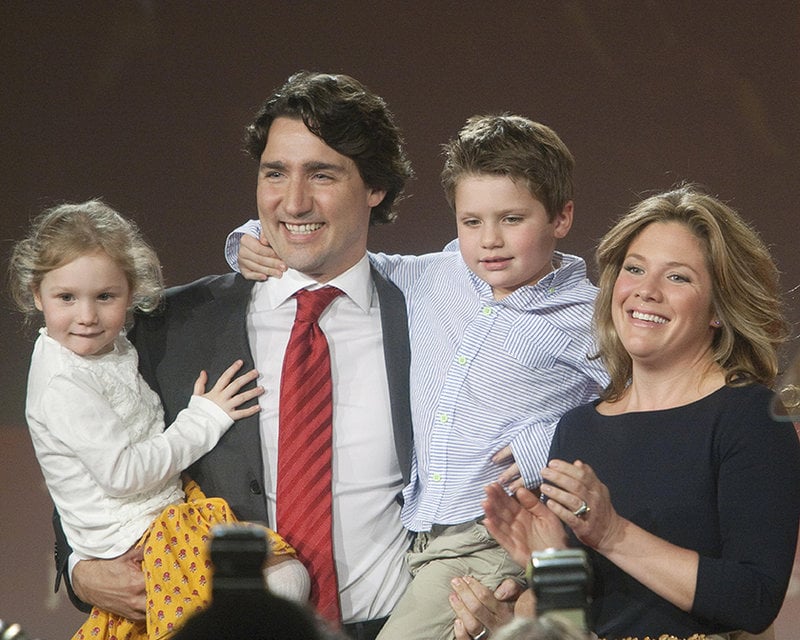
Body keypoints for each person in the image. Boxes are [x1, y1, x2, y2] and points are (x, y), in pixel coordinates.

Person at [55, 72, 415, 640]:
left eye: (322, 174)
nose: (293, 201)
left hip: (394, 626)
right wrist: (80, 569)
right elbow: (80, 452)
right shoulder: (168, 325)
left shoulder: (425, 317)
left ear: (375, 187)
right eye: (275, 173)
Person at [226, 114, 609, 640]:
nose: (490, 241)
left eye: (512, 219)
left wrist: (550, 441)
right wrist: (246, 239)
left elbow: (637, 405)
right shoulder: (434, 276)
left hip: (494, 535)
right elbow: (330, 251)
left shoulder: (586, 316)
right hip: (422, 536)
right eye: (472, 222)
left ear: (561, 217)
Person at [480, 186, 800, 639]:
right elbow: (583, 617)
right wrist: (543, 575)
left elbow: (753, 600)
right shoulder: (578, 427)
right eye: (634, 269)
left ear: (718, 309)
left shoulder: (750, 418)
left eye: (678, 278)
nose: (645, 292)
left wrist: (612, 533)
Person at [8, 200, 310, 640]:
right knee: (278, 581)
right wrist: (204, 419)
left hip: (164, 510)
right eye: (66, 298)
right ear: (38, 295)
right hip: (141, 533)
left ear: (131, 293)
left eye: (105, 297)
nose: (87, 317)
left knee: (280, 577)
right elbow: (122, 473)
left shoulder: (113, 346)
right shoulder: (63, 382)